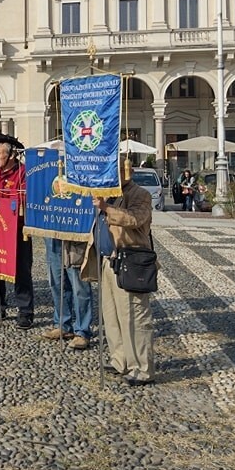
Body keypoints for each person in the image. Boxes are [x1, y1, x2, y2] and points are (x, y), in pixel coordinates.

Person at [93, 158, 155, 387]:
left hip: (131, 261)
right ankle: (120, 360)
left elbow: (135, 219)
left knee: (134, 317)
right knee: (112, 316)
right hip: (109, 261)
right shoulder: (109, 193)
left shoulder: (139, 194)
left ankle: (142, 367)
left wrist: (106, 208)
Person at [0, 134, 34, 330]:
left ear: (11, 155)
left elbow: (24, 199)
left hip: (18, 229)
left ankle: (25, 311)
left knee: (21, 270)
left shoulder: (23, 173)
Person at [41, 238, 94, 349]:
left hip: (74, 236)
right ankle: (62, 325)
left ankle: (82, 331)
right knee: (57, 282)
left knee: (79, 286)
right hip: (52, 236)